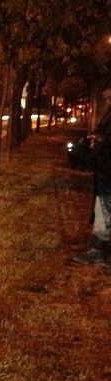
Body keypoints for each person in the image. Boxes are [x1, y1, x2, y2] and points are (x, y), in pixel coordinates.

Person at [73, 86, 111, 265]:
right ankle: (98, 249)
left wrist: (101, 142)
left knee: (105, 210)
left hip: (108, 171)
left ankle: (98, 250)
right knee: (103, 209)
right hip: (104, 171)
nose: (108, 101)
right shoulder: (108, 115)